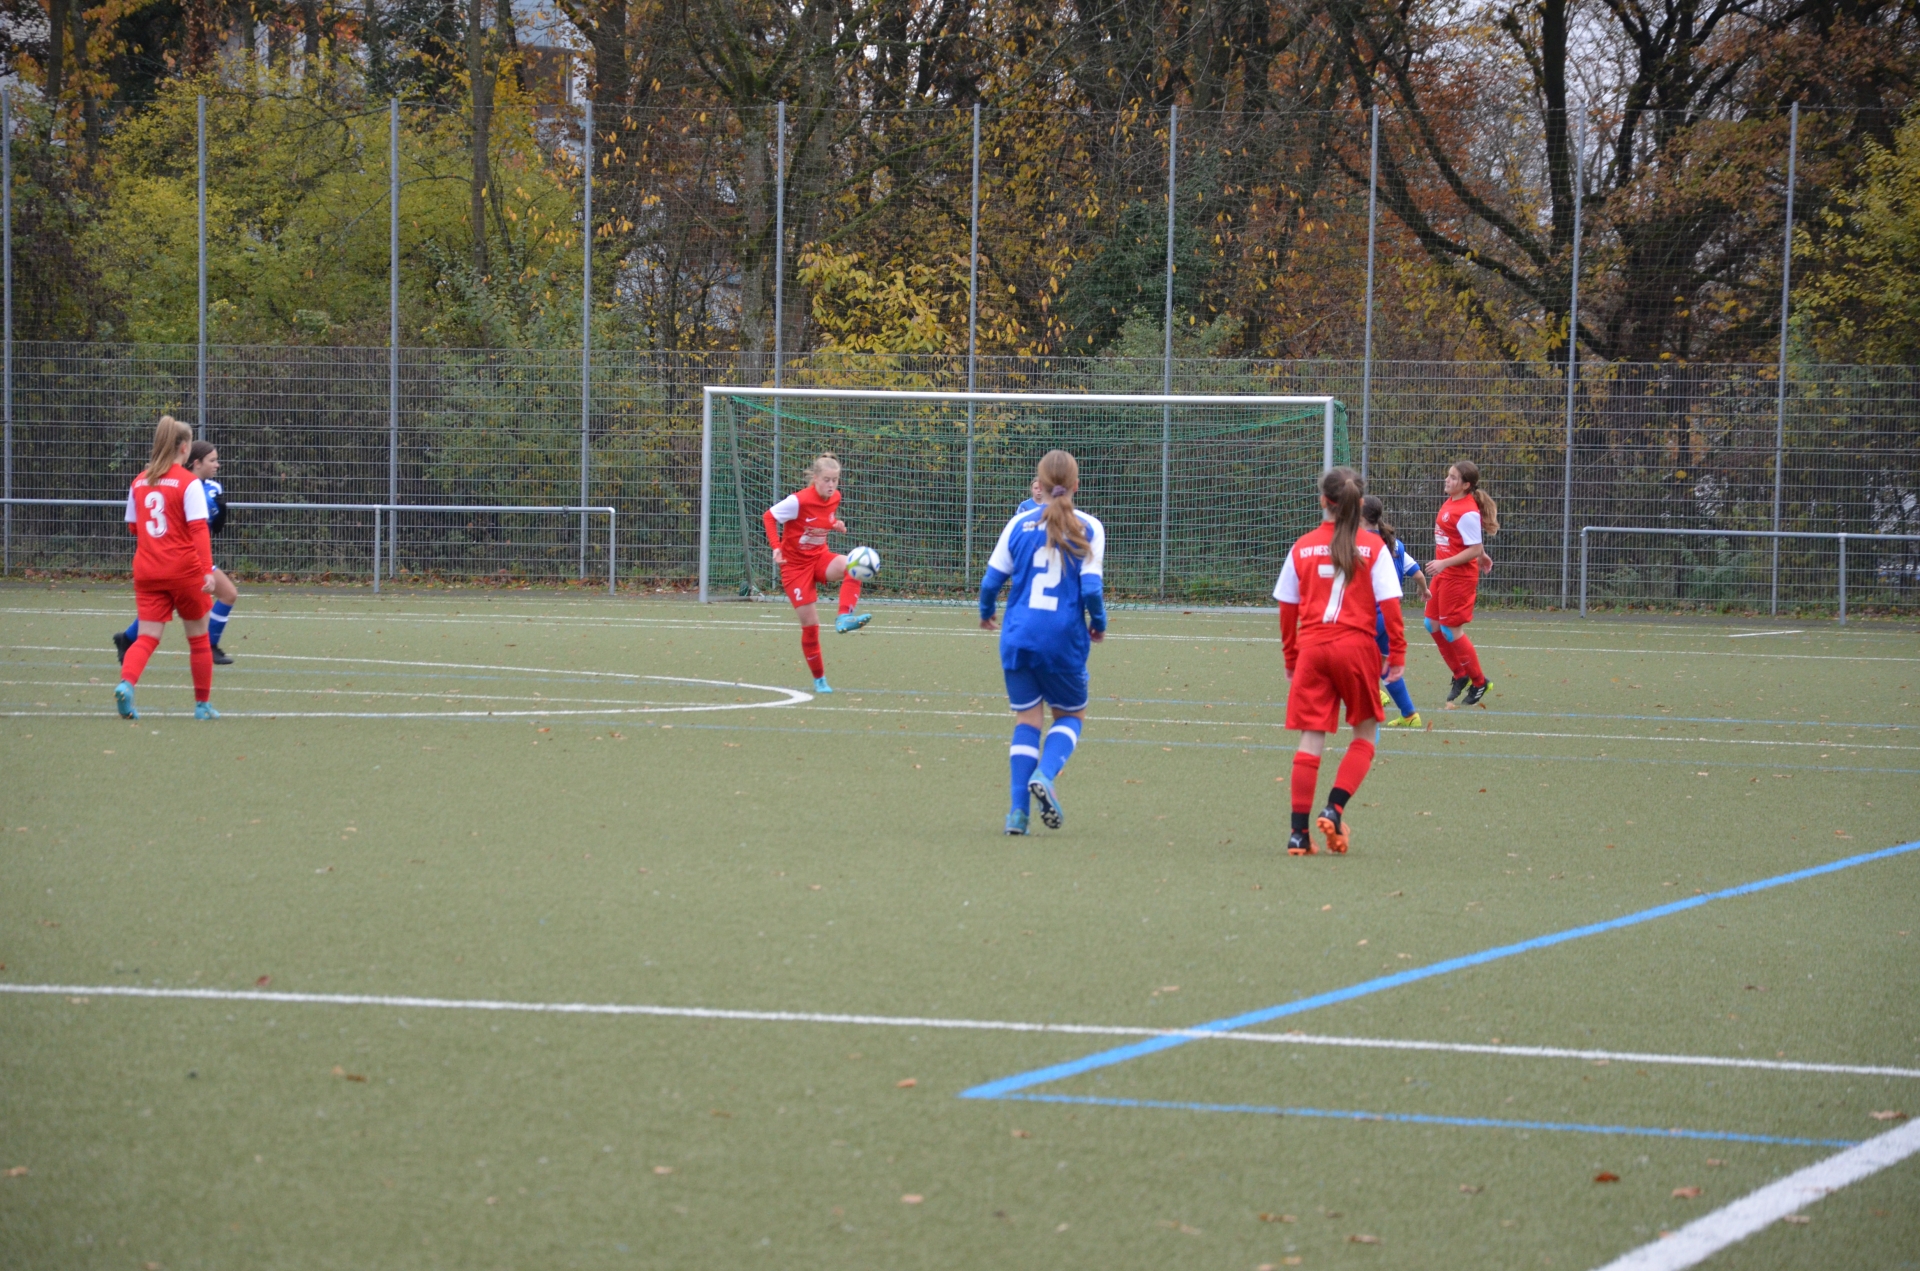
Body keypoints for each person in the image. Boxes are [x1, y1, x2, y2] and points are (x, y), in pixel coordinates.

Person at [1276, 466, 1406, 855]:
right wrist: (1397, 653)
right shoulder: (1374, 548)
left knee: (1311, 736)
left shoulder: (1302, 546)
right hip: (1356, 649)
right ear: (1358, 503)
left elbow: (1287, 607)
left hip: (1313, 649)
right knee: (1365, 735)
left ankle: (1298, 834)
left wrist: (1291, 656)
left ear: (1323, 501)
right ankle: (1333, 809)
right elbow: (1391, 605)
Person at [979, 450, 1106, 835]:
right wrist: (1099, 623)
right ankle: (1045, 775)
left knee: (1027, 721)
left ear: (1040, 483)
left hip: (1017, 637)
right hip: (1062, 640)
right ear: (1076, 485)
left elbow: (990, 582)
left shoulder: (1018, 523)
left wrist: (986, 612)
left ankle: (1017, 814)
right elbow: (1091, 589)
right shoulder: (1089, 526)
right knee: (1070, 717)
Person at [115, 416, 219, 721]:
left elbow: (134, 527)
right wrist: (207, 570)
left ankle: (126, 684)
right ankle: (202, 706)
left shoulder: (139, 480)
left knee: (147, 636)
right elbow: (198, 529)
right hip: (184, 570)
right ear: (185, 448)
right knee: (198, 638)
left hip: (147, 570)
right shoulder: (188, 483)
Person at [114, 440, 238, 665]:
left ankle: (128, 638)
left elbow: (214, 529)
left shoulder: (213, 488)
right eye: (212, 460)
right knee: (226, 593)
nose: (217, 465)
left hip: (194, 555)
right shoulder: (182, 484)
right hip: (182, 557)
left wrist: (220, 512)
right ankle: (208, 646)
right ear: (196, 463)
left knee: (171, 603)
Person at [765, 454, 870, 694]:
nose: (831, 485)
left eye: (835, 480)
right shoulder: (798, 501)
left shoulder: (835, 498)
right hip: (795, 568)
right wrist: (776, 546)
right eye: (826, 480)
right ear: (815, 478)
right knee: (811, 626)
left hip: (819, 558)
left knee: (854, 565)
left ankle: (844, 617)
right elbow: (769, 516)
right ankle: (819, 679)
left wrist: (835, 524)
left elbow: (821, 520)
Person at [1423, 460, 1499, 708]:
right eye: (1448, 475)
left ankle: (1479, 681)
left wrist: (1447, 562)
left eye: (1454, 477)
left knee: (1450, 629)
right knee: (1431, 623)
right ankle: (1460, 674)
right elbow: (1471, 542)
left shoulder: (1467, 511)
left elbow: (1473, 547)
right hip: (1444, 574)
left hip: (1458, 577)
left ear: (1466, 485)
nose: (1447, 480)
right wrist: (1482, 555)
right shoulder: (1452, 502)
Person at [1362, 494, 1424, 729]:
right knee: (1383, 666)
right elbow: (1416, 573)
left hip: (1369, 615)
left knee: (1344, 661)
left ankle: (1373, 701)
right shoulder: (1393, 543)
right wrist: (1424, 589)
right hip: (1388, 614)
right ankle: (1409, 714)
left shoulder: (1359, 543)